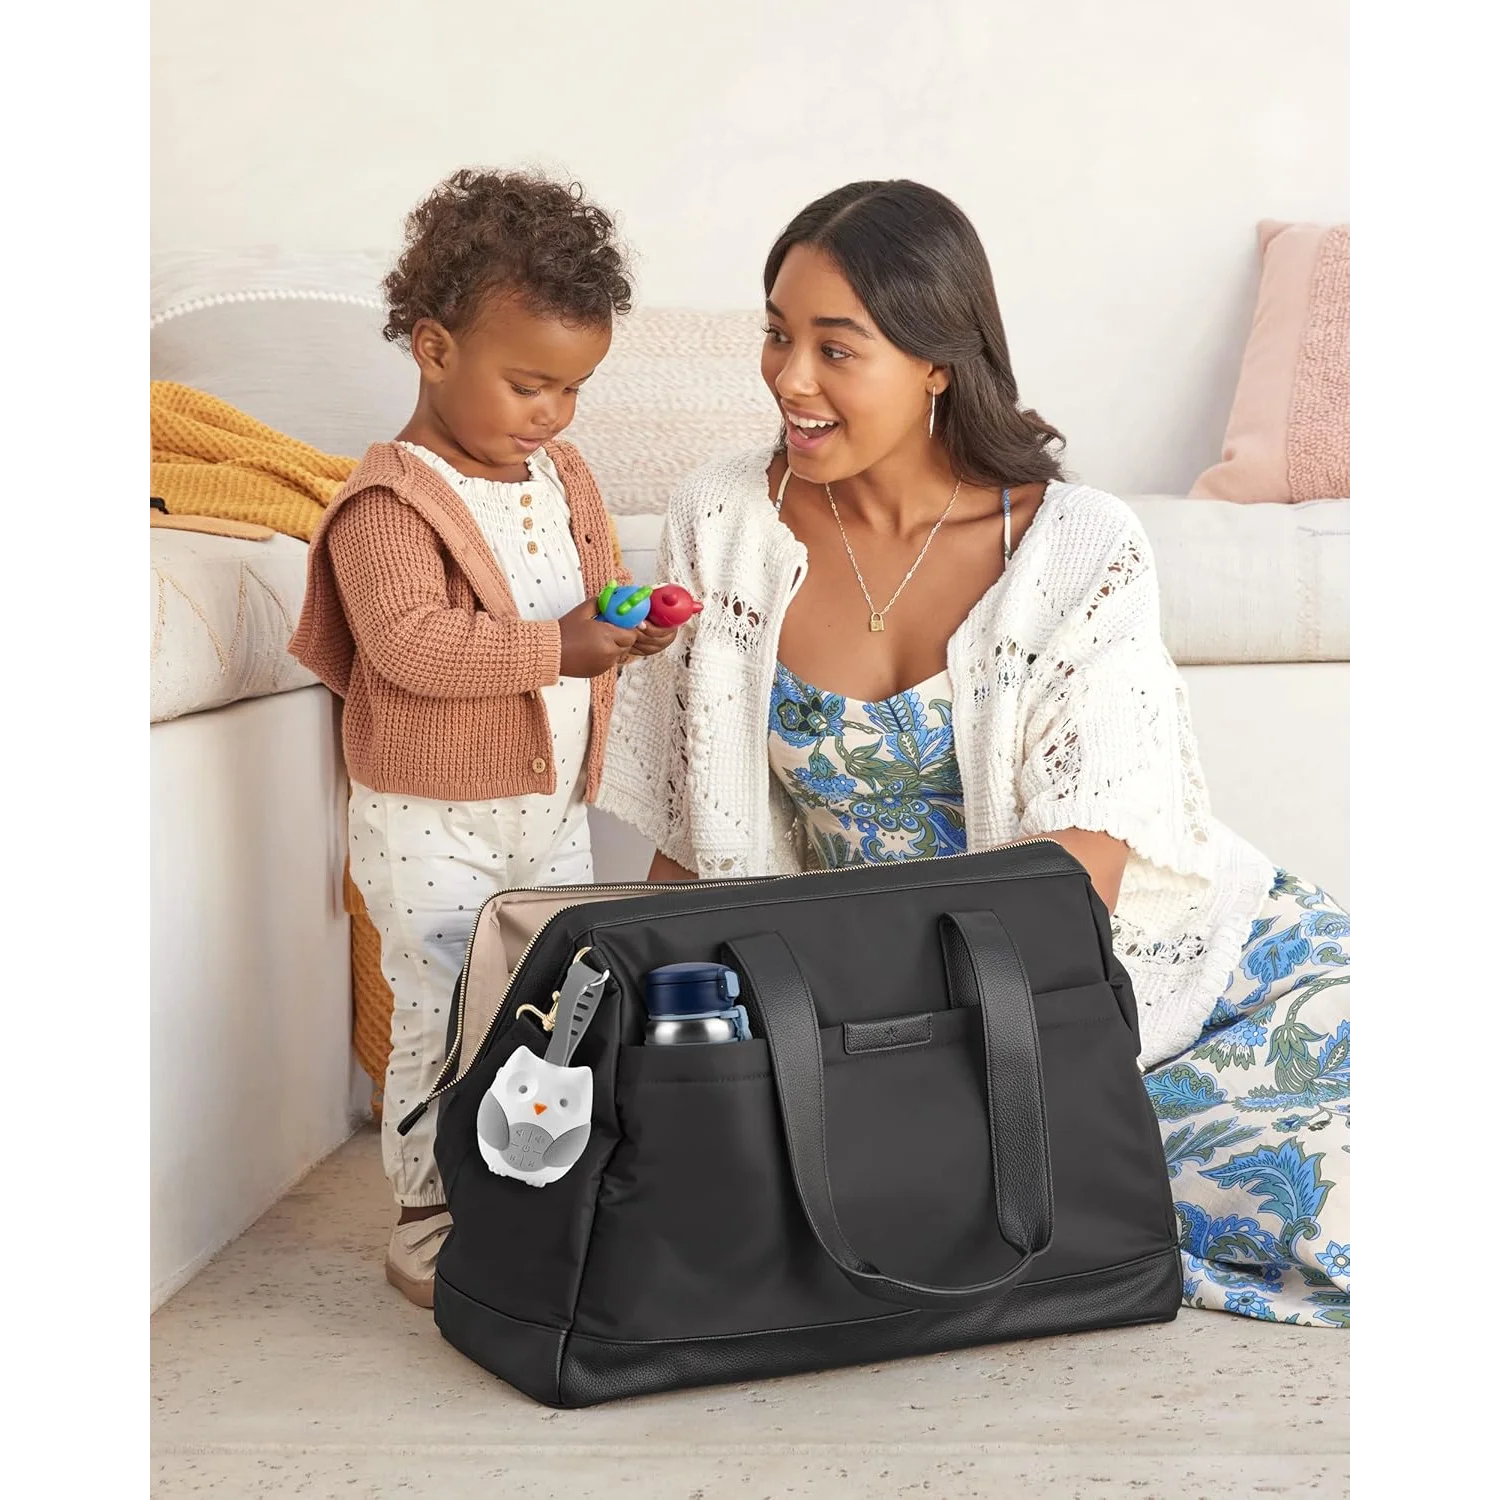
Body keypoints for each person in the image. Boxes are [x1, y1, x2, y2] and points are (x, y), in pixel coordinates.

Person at [597, 180, 1351, 1327]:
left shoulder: (1077, 545)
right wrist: (644, 1052)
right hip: (896, 1017)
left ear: (937, 362)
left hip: (1150, 978)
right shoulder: (722, 522)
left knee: (1284, 1204)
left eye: (834, 349)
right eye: (776, 332)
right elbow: (690, 840)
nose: (788, 379)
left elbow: (1078, 887)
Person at [289, 168, 676, 1307]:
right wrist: (559, 648)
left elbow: (586, 596)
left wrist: (628, 622)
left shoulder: (563, 476)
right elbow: (413, 646)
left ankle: (522, 1191)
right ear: (433, 348)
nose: (552, 413)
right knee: (443, 1001)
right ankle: (423, 1205)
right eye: (528, 383)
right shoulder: (386, 506)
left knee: (547, 1005)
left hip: (547, 808)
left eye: (573, 388)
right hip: (430, 821)